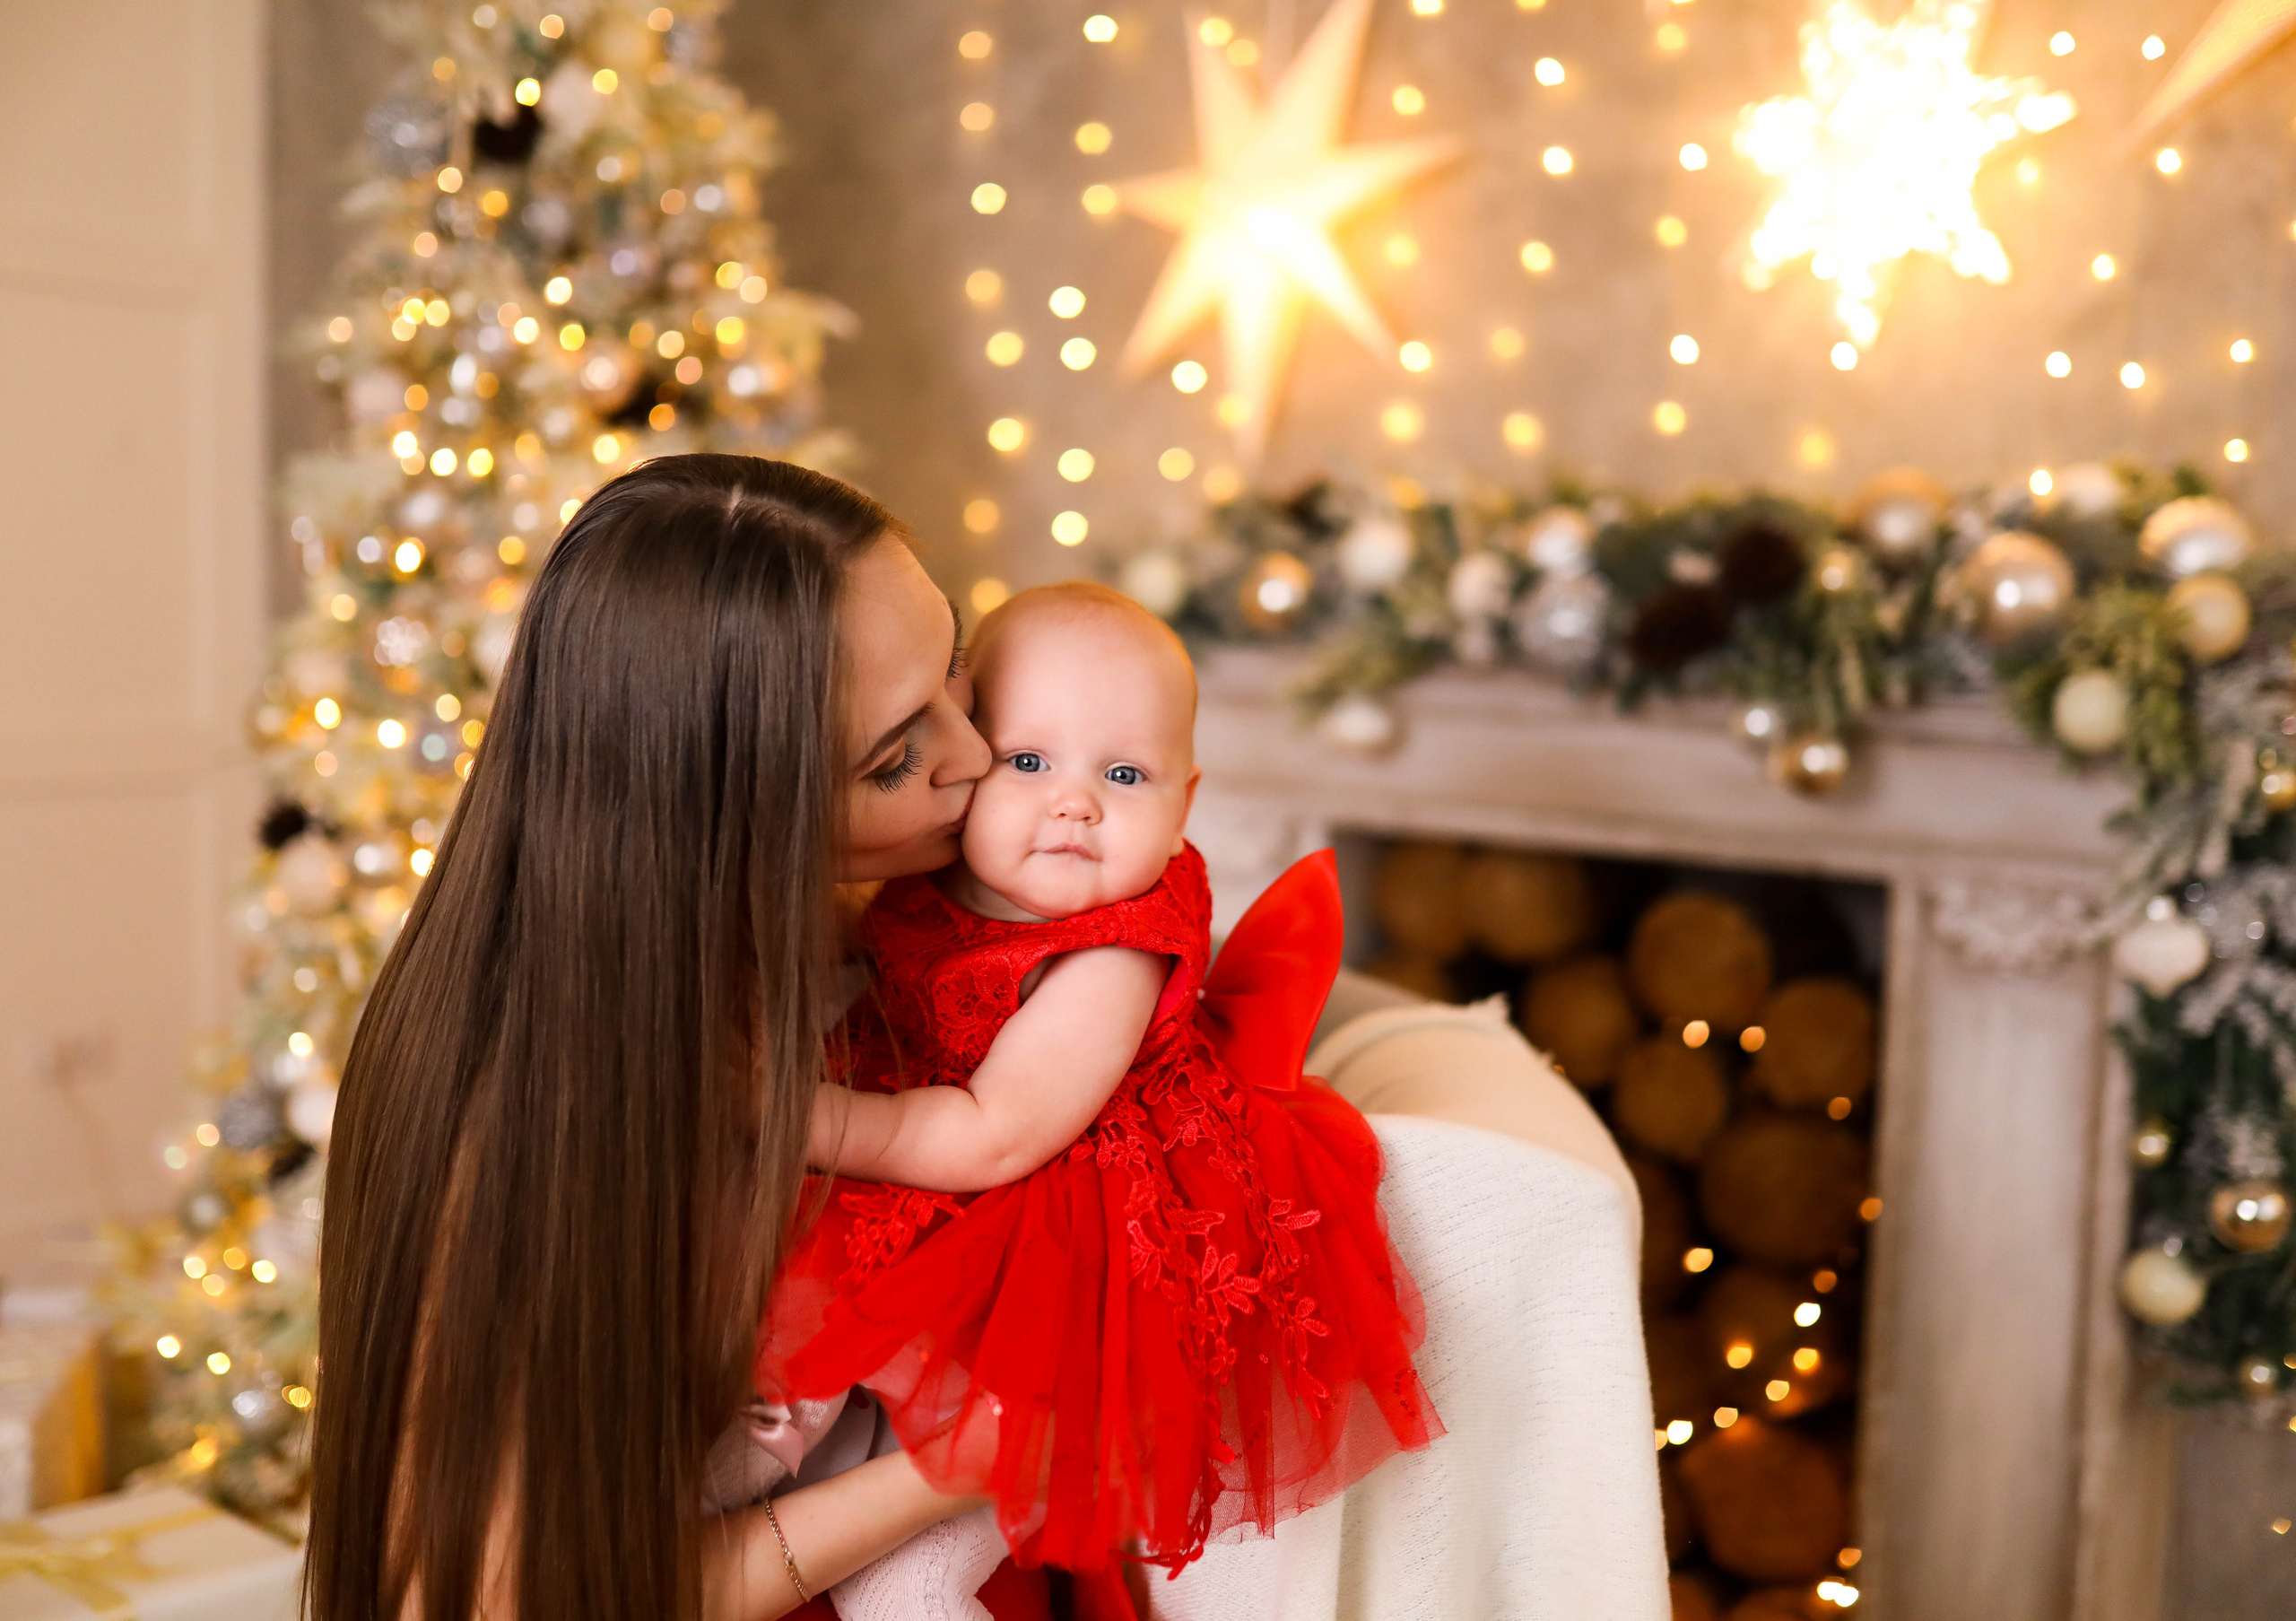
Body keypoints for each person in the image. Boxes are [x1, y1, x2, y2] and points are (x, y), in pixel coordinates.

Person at [764, 584, 1439, 1617]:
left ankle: (870, 1538)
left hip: (1047, 1189)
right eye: (1028, 760)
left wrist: (795, 1113)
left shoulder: (1107, 954)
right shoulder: (934, 871)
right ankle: (765, 1437)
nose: (1074, 802)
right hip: (927, 1126)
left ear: (1183, 802)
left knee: (936, 1443)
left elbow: (990, 1139)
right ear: (966, 767)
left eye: (1123, 775)